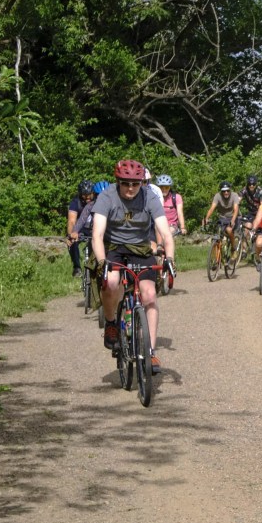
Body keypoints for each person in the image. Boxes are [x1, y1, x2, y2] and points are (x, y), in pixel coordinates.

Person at [91, 159, 175, 373]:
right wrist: (102, 263)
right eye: (125, 183)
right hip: (113, 247)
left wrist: (170, 260)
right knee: (111, 282)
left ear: (142, 183)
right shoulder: (106, 196)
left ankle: (151, 352)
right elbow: (97, 235)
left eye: (135, 184)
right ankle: (111, 323)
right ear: (118, 182)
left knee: (149, 295)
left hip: (140, 247)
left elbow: (165, 233)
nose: (130, 188)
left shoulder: (150, 197)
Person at [66, 180, 96, 277]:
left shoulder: (98, 200)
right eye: (84, 195)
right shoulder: (76, 202)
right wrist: (70, 235)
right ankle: (77, 267)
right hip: (81, 229)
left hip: (95, 228)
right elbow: (71, 221)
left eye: (89, 194)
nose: (86, 197)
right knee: (73, 242)